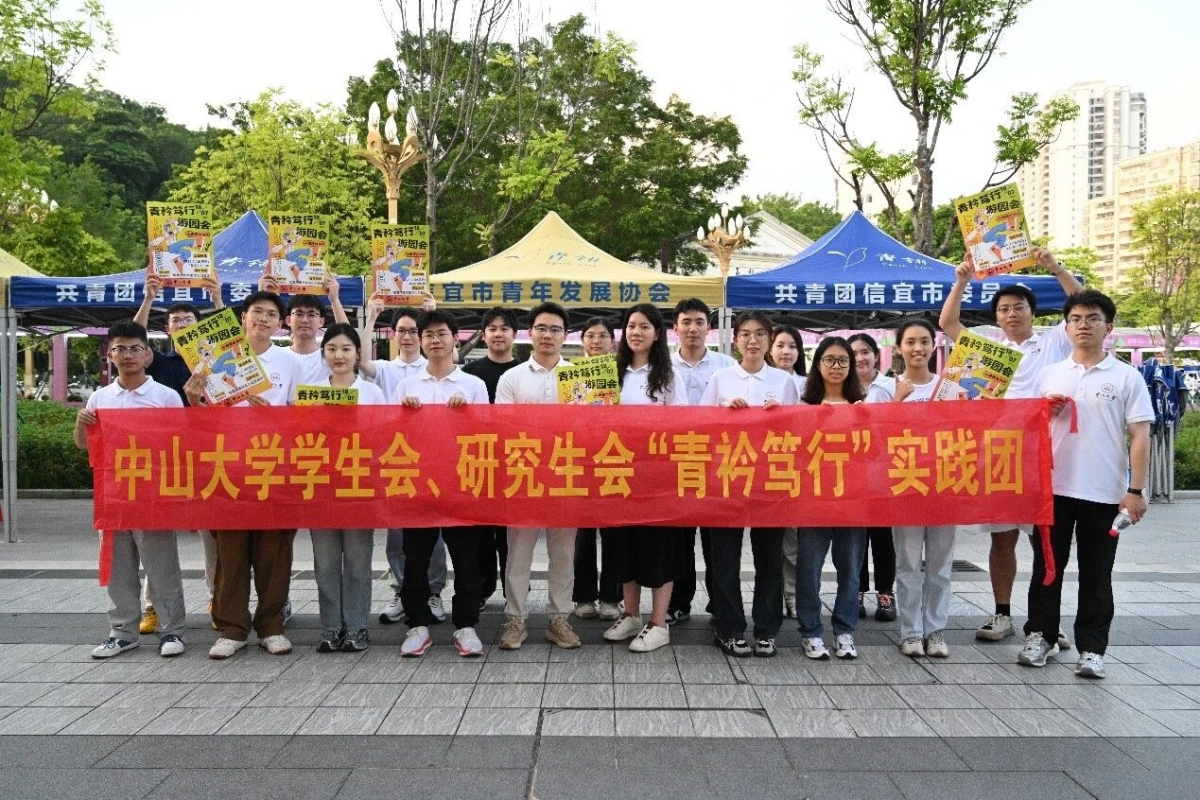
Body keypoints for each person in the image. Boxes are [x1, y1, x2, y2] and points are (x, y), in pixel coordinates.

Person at [940, 246, 1084, 647]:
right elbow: (948, 323)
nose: (1012, 314)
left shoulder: (1053, 342)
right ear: (997, 317)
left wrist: (1054, 267)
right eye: (1004, 309)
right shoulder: (989, 350)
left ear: (1032, 313)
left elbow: (1081, 303)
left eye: (1019, 307)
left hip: (1045, 456)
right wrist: (961, 280)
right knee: (1001, 537)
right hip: (1001, 454)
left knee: (1046, 541)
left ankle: (1047, 620)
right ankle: (1002, 613)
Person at [1019, 290, 1153, 679]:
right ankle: (1040, 636)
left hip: (1104, 492)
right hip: (1052, 490)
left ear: (1108, 327)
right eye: (1075, 319)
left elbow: (1139, 435)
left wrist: (1135, 491)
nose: (1083, 325)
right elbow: (1027, 428)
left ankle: (1092, 649)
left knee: (1097, 573)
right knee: (1047, 568)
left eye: (1092, 318)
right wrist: (1045, 413)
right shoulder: (1050, 374)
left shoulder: (1126, 376)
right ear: (1066, 327)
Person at [185, 290, 304, 659]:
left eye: (271, 314)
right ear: (243, 318)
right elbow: (202, 421)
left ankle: (271, 626)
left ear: (281, 323)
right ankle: (232, 628)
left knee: (274, 553)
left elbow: (302, 415)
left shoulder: (289, 361)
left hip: (272, 466)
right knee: (230, 553)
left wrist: (275, 417)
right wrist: (193, 400)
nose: (263, 319)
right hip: (228, 467)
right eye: (257, 312)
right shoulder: (213, 358)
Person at [76, 320, 187, 660]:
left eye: (134, 348)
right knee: (119, 568)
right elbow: (84, 445)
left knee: (162, 567)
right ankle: (122, 632)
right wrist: (81, 424)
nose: (127, 355)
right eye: (120, 349)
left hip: (153, 495)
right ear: (109, 354)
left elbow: (183, 443)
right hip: (113, 496)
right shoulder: (100, 398)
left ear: (147, 354)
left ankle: (172, 630)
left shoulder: (166, 396)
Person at [701, 311, 797, 658]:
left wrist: (781, 415)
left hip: (770, 481)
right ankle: (729, 628)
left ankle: (767, 629)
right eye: (745, 334)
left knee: (769, 558)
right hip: (727, 479)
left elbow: (799, 433)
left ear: (769, 339)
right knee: (724, 558)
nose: (752, 340)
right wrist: (725, 412)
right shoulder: (720, 378)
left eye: (759, 334)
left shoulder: (784, 381)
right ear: (736, 340)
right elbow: (700, 427)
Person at [396, 310, 491, 658]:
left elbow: (487, 433)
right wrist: (404, 415)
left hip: (461, 482)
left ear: (455, 338)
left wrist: (468, 414)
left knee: (466, 558)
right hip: (418, 483)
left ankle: (466, 625)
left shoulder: (473, 385)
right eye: (429, 335)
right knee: (415, 558)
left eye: (442, 334)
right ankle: (417, 625)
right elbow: (392, 435)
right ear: (420, 341)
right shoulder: (407, 385)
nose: (435, 340)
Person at [133, 271, 224, 632]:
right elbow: (134, 337)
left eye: (189, 320)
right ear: (167, 328)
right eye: (176, 321)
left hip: (209, 458)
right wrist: (149, 298)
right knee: (157, 533)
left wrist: (217, 300)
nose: (183, 325)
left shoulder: (215, 362)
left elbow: (233, 339)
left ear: (199, 326)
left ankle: (218, 597)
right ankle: (153, 605)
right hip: (166, 459)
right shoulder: (159, 362)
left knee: (212, 534)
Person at [601, 305, 689, 653]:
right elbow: (589, 417)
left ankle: (658, 623)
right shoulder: (609, 371)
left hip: (656, 476)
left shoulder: (668, 375)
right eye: (631, 326)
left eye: (644, 326)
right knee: (623, 546)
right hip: (618, 472)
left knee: (658, 548)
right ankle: (632, 614)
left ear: (657, 333)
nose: (636, 332)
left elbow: (681, 423)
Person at [359, 297, 449, 627]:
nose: (408, 336)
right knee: (397, 536)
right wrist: (372, 316)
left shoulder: (434, 366)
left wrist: (431, 314)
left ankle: (433, 591)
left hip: (434, 465)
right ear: (393, 334)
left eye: (414, 331)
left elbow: (447, 352)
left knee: (433, 535)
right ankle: (402, 590)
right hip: (397, 462)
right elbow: (362, 359)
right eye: (402, 331)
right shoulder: (385, 369)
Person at [495, 301, 580, 650]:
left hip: (565, 474)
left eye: (555, 329)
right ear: (530, 333)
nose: (548, 335)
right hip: (524, 475)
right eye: (542, 328)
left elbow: (593, 427)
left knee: (564, 553)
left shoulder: (579, 376)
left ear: (565, 336)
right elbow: (502, 428)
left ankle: (559, 619)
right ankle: (515, 619)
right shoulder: (512, 378)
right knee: (518, 552)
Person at [309, 324, 386, 653]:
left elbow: (384, 439)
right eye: (331, 349)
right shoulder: (310, 393)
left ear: (357, 354)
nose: (338, 356)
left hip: (358, 487)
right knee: (325, 563)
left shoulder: (372, 393)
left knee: (357, 562)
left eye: (345, 349)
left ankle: (356, 627)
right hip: (320, 487)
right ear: (323, 354)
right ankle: (330, 627)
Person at [892, 319, 964, 658]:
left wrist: (966, 410)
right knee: (908, 564)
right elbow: (876, 436)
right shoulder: (888, 387)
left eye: (924, 341)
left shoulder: (950, 387)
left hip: (945, 486)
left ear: (933, 346)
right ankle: (910, 632)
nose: (917, 348)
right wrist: (897, 402)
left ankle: (935, 631)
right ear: (898, 348)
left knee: (940, 565)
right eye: (910, 342)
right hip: (905, 487)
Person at [794, 336, 868, 660]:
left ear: (851, 366)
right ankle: (810, 631)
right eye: (829, 360)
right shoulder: (803, 405)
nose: (836, 367)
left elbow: (876, 451)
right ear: (818, 364)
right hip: (813, 499)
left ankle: (845, 630)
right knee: (809, 567)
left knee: (850, 568)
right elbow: (791, 450)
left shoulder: (863, 405)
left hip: (853, 499)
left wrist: (866, 421)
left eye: (842, 361)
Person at [667, 298, 736, 625]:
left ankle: (719, 604)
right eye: (686, 322)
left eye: (699, 322)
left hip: (717, 464)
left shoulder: (726, 366)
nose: (692, 329)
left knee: (716, 541)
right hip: (675, 463)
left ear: (709, 328)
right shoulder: (662, 366)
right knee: (678, 540)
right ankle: (678, 603)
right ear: (675, 328)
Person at [462, 306, 523, 609]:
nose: (499, 334)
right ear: (484, 335)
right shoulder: (468, 374)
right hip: (479, 465)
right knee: (481, 536)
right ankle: (482, 590)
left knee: (512, 537)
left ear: (515, 334)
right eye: (493, 329)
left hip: (517, 465)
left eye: (504, 329)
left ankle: (514, 593)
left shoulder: (524, 372)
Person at [572, 316, 622, 622]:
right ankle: (584, 596)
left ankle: (611, 598)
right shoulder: (571, 374)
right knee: (583, 536)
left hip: (615, 460)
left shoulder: (622, 374)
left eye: (602, 335)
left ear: (612, 342)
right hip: (581, 461)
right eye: (590, 335)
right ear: (582, 341)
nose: (596, 341)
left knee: (614, 534)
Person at [846, 332, 897, 623]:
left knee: (882, 537)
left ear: (876, 355)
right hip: (851, 475)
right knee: (856, 538)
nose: (860, 358)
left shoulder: (891, 386)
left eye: (865, 352)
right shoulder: (842, 388)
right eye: (853, 353)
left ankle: (885, 593)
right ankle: (857, 592)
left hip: (884, 475)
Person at [769, 324, 807, 619]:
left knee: (794, 541)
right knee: (770, 542)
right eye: (780, 345)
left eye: (792, 346)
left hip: (798, 472)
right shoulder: (763, 379)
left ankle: (793, 596)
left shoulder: (809, 384)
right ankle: (772, 596)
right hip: (765, 471)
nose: (786, 351)